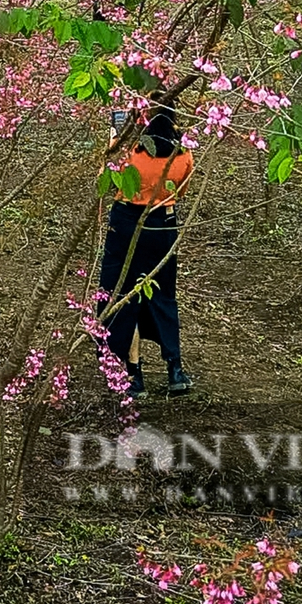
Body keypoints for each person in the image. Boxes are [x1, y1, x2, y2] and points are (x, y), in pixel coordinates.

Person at [97, 106, 194, 398]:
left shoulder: (128, 149)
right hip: (163, 223)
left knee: (123, 293)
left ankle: (132, 371)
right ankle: (174, 368)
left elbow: (107, 180)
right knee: (162, 294)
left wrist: (114, 138)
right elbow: (182, 190)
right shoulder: (183, 151)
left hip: (127, 222)